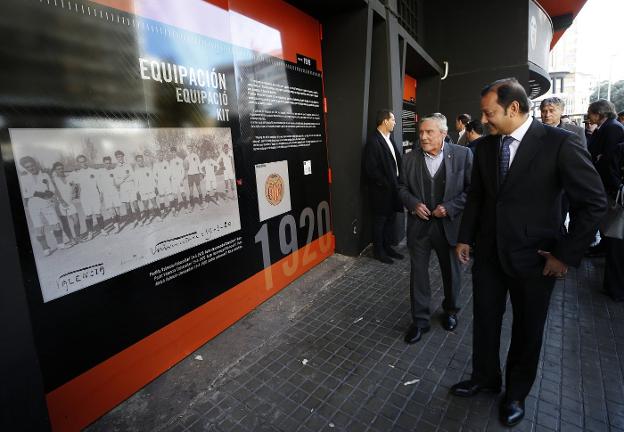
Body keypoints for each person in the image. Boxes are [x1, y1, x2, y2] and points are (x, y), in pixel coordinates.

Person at [450, 78, 606, 427]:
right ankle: (485, 377)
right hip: (489, 255)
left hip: (537, 259)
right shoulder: (487, 148)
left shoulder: (560, 144)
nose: (484, 119)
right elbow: (478, 196)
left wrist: (564, 255)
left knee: (527, 330)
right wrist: (465, 238)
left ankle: (516, 393)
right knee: (485, 322)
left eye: (489, 113)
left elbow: (594, 203)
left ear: (514, 108)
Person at [397, 114, 472, 343]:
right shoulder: (409, 159)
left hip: (448, 227)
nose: (423, 136)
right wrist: (412, 204)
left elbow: (473, 191)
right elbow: (400, 187)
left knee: (452, 274)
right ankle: (420, 321)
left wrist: (449, 207)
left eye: (429, 132)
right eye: (421, 132)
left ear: (443, 134)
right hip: (420, 229)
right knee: (418, 276)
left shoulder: (462, 155)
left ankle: (450, 311)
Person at [588, 100, 624, 302]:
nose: (589, 117)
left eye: (590, 114)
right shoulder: (609, 128)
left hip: (612, 191)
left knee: (614, 235)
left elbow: (608, 159)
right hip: (611, 189)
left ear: (599, 113)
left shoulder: (613, 129)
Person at [363, 109, 404, 263]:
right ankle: (379, 252)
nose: (394, 122)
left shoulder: (389, 138)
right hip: (382, 192)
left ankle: (387, 248)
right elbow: (371, 169)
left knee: (390, 220)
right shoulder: (374, 141)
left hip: (393, 189)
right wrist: (386, 184)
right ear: (385, 121)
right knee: (380, 222)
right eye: (392, 119)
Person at [19, 156, 69, 255]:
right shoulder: (23, 178)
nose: (31, 168)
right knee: (38, 227)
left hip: (46, 202)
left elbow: (52, 189)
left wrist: (48, 194)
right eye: (28, 167)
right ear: (25, 168)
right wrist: (38, 193)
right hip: (33, 204)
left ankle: (60, 244)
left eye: (32, 165)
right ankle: (45, 248)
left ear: (35, 164)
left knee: (55, 223)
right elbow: (25, 193)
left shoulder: (45, 175)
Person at [70, 154, 103, 241]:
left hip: (94, 194)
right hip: (85, 196)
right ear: (78, 163)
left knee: (98, 213)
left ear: (86, 161)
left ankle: (102, 229)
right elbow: (74, 185)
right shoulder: (77, 173)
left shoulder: (93, 171)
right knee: (88, 215)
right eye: (80, 162)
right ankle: (90, 232)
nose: (83, 163)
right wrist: (75, 196)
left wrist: (101, 193)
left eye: (84, 161)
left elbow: (99, 184)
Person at [51, 161, 81, 244]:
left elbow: (74, 186)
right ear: (55, 170)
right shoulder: (54, 180)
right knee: (65, 223)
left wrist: (75, 191)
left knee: (76, 220)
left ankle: (78, 237)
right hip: (60, 204)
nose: (61, 170)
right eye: (58, 169)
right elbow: (55, 192)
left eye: (61, 168)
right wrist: (61, 201)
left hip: (70, 202)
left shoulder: (68, 178)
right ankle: (71, 239)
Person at [113, 150, 140, 226]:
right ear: (116, 158)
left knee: (135, 203)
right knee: (127, 205)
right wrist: (124, 178)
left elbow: (133, 176)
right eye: (118, 157)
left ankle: (139, 219)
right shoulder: (116, 169)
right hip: (123, 187)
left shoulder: (128, 165)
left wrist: (136, 187)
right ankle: (132, 221)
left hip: (131, 185)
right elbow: (117, 182)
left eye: (121, 156)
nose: (120, 158)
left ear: (123, 157)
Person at [134, 154, 162, 225]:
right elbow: (136, 183)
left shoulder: (148, 169)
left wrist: (155, 187)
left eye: (141, 160)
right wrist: (137, 192)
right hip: (143, 191)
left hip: (151, 189)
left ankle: (158, 216)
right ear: (137, 162)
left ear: (143, 160)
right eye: (138, 161)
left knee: (154, 203)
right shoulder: (136, 172)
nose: (140, 162)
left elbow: (152, 179)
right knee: (145, 205)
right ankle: (148, 218)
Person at [98, 156, 122, 235]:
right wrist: (101, 194)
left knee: (117, 211)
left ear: (111, 163)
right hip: (106, 194)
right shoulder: (100, 172)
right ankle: (116, 227)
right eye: (106, 163)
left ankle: (117, 222)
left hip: (114, 192)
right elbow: (99, 184)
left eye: (109, 163)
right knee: (111, 211)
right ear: (103, 163)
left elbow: (117, 182)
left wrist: (117, 186)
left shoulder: (114, 171)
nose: (108, 165)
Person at [185, 143, 205, 211]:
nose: (189, 149)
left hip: (196, 174)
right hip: (190, 175)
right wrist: (185, 174)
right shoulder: (186, 157)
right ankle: (192, 205)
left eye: (190, 148)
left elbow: (199, 165)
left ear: (192, 148)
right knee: (191, 191)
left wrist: (201, 173)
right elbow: (186, 167)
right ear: (187, 149)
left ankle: (201, 203)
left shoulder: (196, 156)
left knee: (199, 189)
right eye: (188, 148)